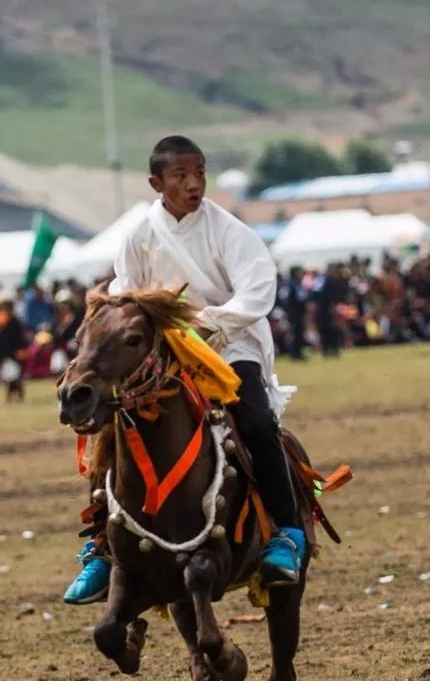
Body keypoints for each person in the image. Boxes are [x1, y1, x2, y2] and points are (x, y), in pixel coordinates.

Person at [64, 134, 306, 604]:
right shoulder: (139, 235)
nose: (194, 184)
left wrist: (208, 323)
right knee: (110, 428)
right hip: (163, 354)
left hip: (230, 346)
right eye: (180, 175)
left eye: (199, 173)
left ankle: (287, 535)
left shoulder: (229, 230)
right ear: (157, 182)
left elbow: (257, 291)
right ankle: (101, 546)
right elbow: (127, 297)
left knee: (256, 419)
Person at [0, 291, 27, 403]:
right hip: (2, 354)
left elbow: (19, 338)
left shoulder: (14, 321)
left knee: (14, 376)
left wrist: (21, 350)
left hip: (13, 353)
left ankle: (14, 395)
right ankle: (11, 397)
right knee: (8, 377)